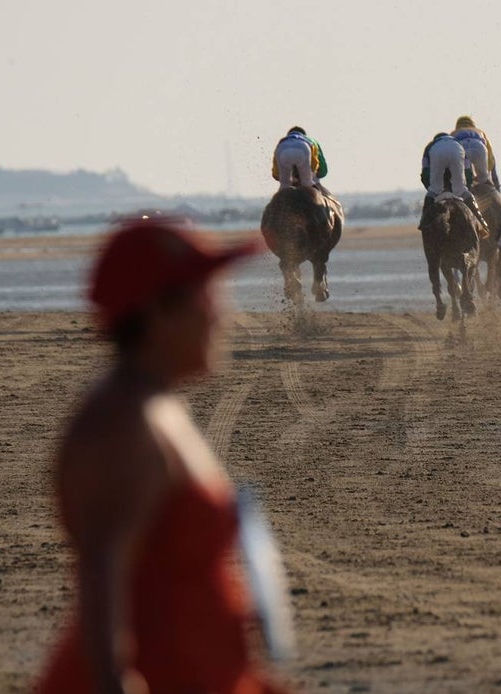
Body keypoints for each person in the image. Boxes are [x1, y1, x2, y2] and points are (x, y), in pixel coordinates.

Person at [35, 217, 291, 694]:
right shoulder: (121, 426)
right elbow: (102, 583)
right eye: (207, 297)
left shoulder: (154, 406)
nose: (223, 315)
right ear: (157, 313)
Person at [420, 132, 491, 230]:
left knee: (433, 189)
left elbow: (425, 174)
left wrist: (432, 190)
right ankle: (481, 221)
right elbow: (468, 172)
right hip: (457, 150)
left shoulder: (430, 147)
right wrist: (466, 188)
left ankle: (423, 222)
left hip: (436, 152)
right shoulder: (458, 144)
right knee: (462, 189)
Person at [451, 115, 501, 190]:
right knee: (484, 179)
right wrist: (496, 185)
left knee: (462, 179)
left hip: (462, 147)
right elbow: (491, 158)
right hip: (479, 147)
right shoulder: (480, 132)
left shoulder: (453, 133)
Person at [271, 126, 329, 191]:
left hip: (282, 149)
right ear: (304, 135)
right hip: (303, 148)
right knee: (307, 183)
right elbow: (317, 167)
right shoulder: (311, 141)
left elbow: (276, 174)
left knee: (284, 185)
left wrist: (287, 178)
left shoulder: (283, 141)